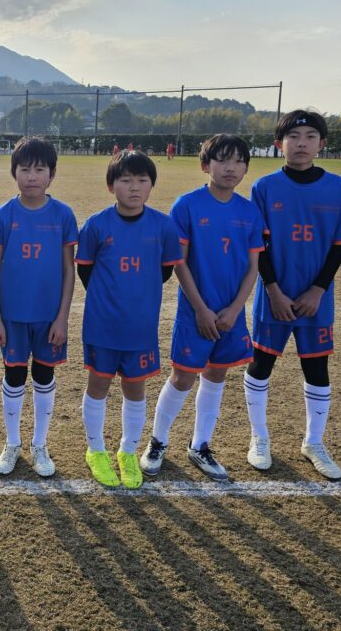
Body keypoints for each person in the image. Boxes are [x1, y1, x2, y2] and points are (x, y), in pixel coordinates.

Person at [141, 135, 264, 481]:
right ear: (205, 165)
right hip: (195, 312)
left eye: (238, 161)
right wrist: (200, 308)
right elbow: (179, 262)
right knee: (182, 376)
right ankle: (157, 442)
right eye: (222, 160)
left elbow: (253, 267)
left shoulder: (249, 211)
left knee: (216, 375)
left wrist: (235, 309)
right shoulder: (187, 206)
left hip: (230, 313)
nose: (230, 168)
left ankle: (200, 445)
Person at [245, 109, 341, 480]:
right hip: (273, 296)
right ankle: (259, 438)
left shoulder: (337, 187)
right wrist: (273, 290)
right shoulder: (264, 187)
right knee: (261, 364)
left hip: (316, 300)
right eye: (293, 137)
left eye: (310, 136)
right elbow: (258, 246)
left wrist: (318, 289)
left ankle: (314, 442)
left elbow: (340, 244)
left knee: (317, 368)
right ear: (279, 144)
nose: (301, 143)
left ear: (321, 143)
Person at [75, 151, 182, 488]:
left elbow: (165, 271)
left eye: (142, 180)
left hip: (140, 327)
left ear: (151, 185)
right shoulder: (96, 225)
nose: (134, 187)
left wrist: (137, 296)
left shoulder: (163, 226)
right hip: (102, 325)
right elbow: (85, 270)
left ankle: (128, 451)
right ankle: (96, 450)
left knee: (135, 388)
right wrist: (110, 299)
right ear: (111, 186)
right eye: (126, 180)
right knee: (98, 386)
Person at [0, 138, 78, 477]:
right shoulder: (2, 216)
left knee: (43, 375)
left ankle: (40, 444)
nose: (32, 176)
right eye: (25, 169)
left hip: (49, 318)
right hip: (13, 317)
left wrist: (62, 318)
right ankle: (12, 443)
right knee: (13, 375)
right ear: (14, 173)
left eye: (40, 169)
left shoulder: (63, 215)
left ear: (52, 174)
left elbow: (69, 270)